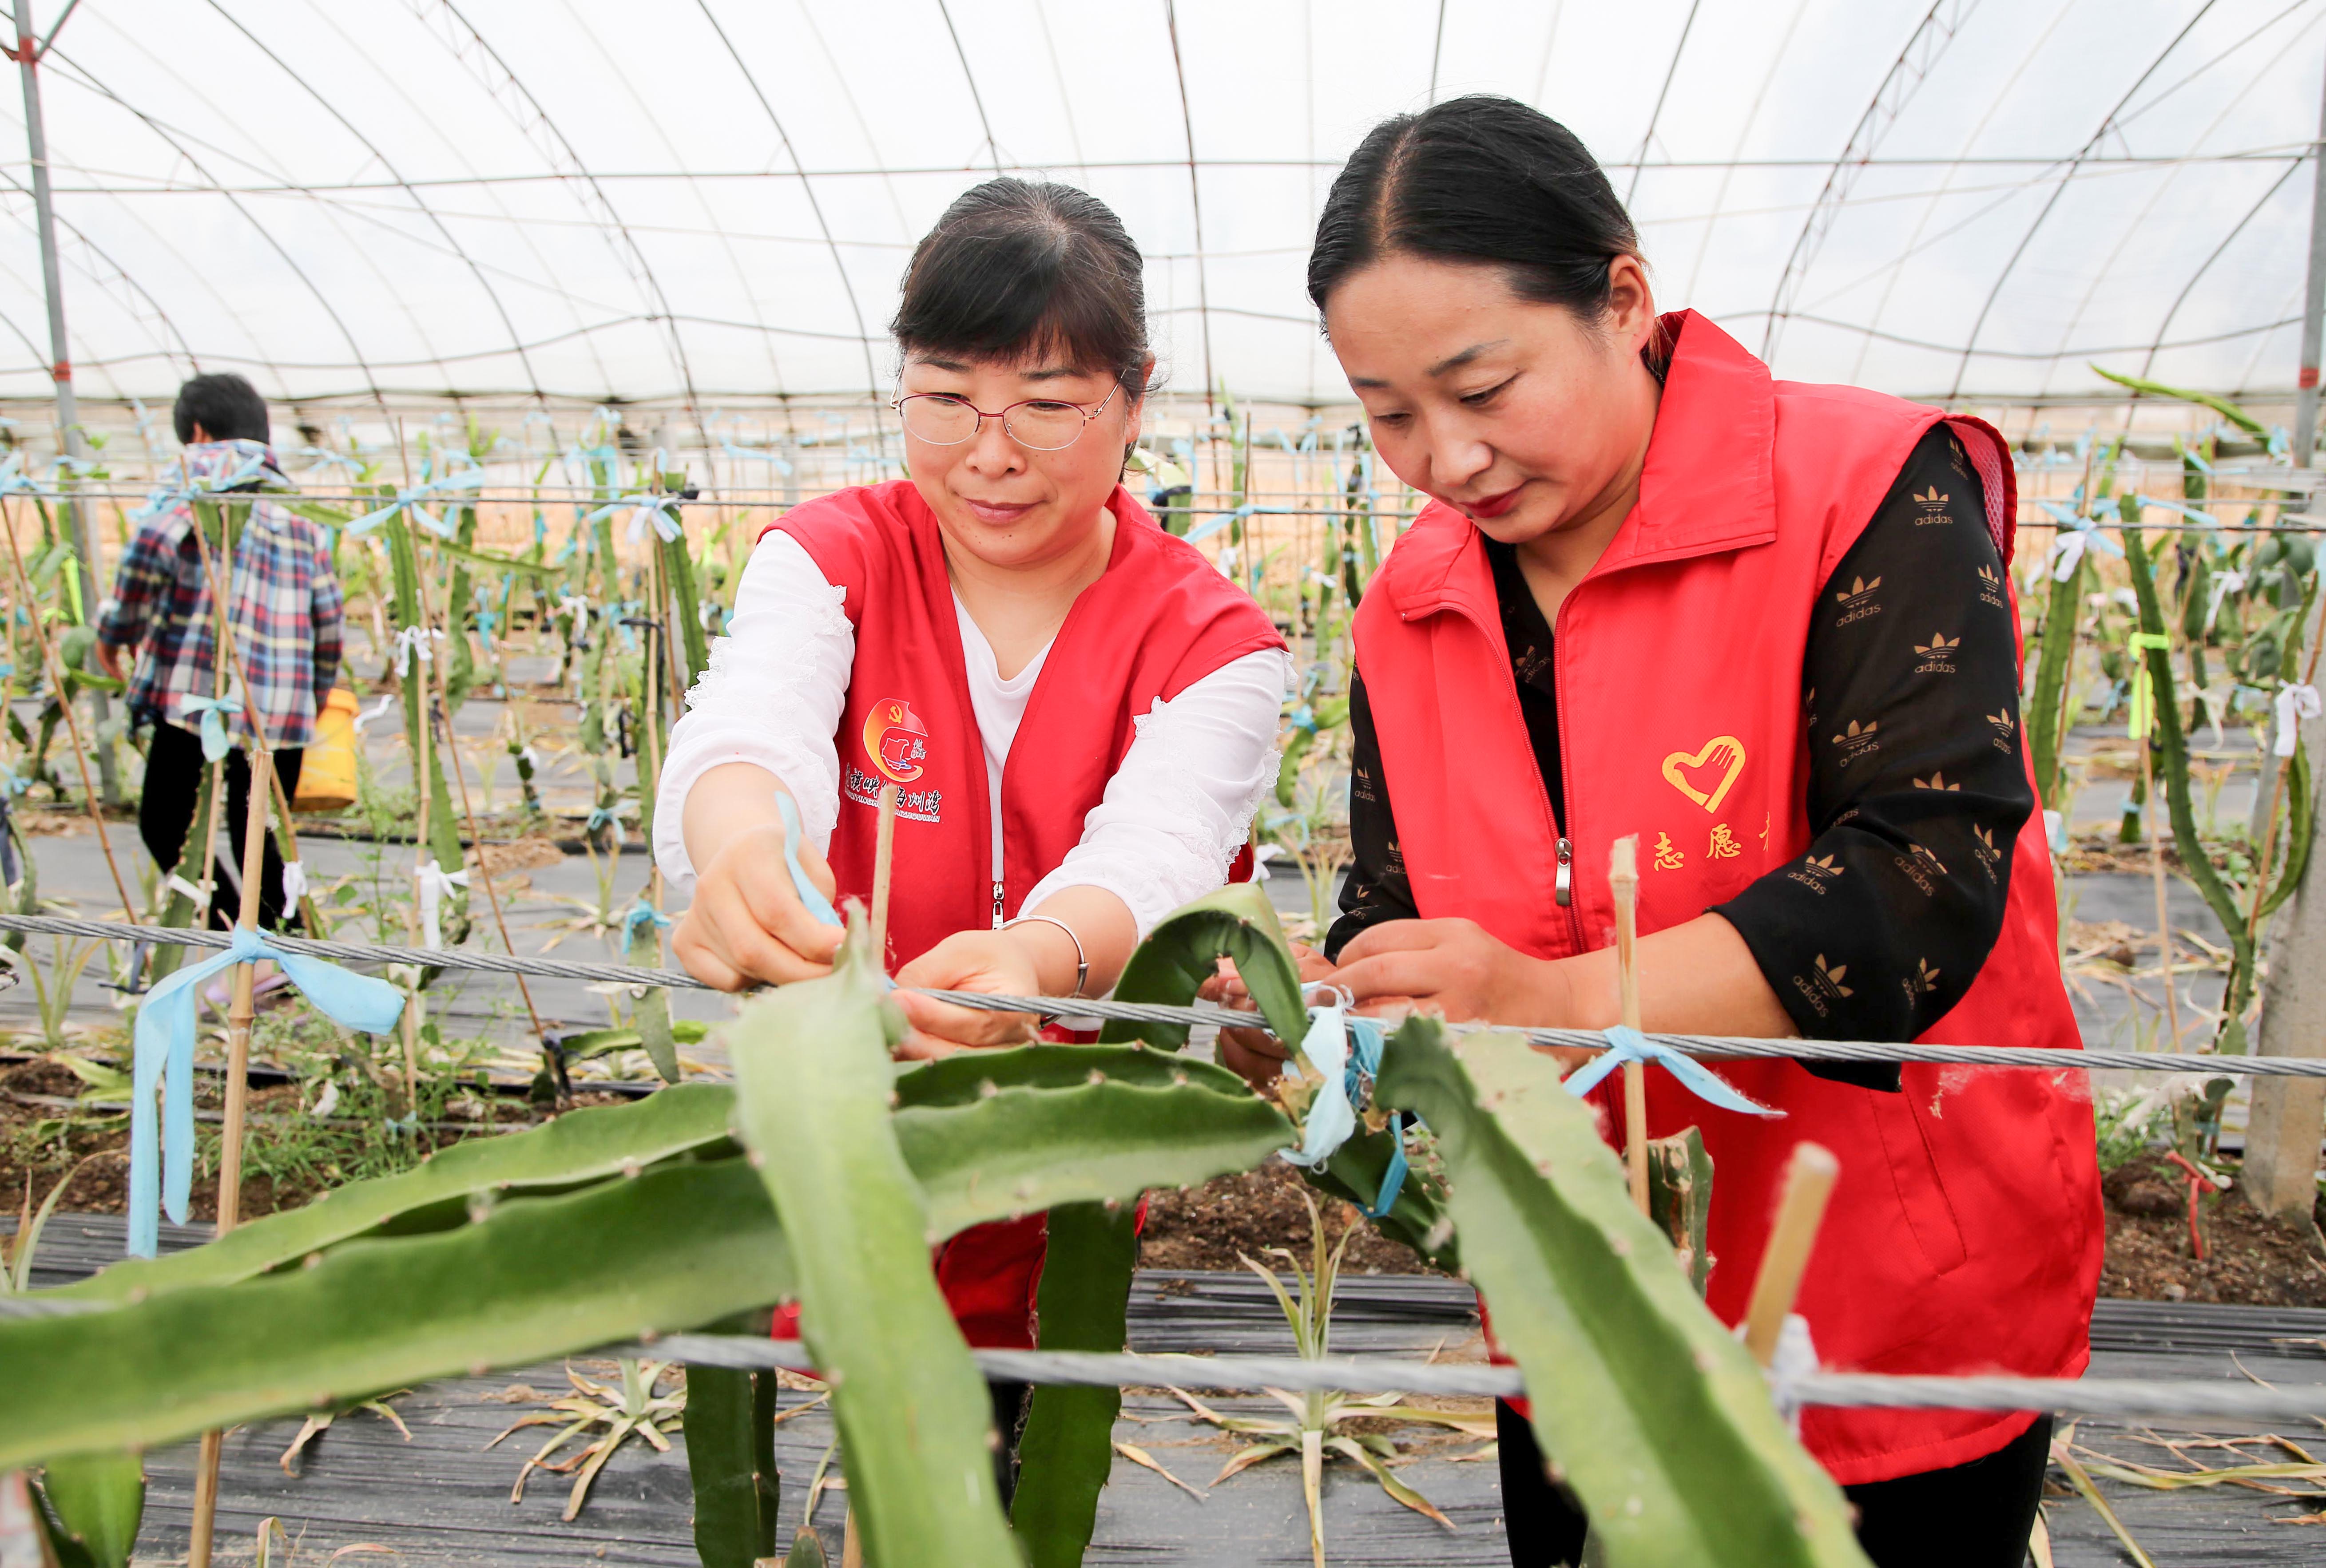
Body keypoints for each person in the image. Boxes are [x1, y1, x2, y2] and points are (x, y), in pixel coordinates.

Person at [1226, 97, 2099, 1568]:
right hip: (1573, 1296)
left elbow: (1923, 871)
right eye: (1386, 414)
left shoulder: (1863, 488)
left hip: (1884, 1309)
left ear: (1620, 301)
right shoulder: (1409, 608)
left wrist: (1564, 999)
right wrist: (1332, 1005)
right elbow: (1389, 898)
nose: (1443, 458)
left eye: (1481, 386)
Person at [656, 178, 1290, 1485]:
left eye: (1048, 407)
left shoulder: (1214, 642)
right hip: (847, 1124)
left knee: (1014, 1459)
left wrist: (1041, 958)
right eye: (945, 398)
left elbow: (1159, 849)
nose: (989, 453)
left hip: (1063, 1154)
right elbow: (755, 725)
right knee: (860, 1420)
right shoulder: (835, 555)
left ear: (1133, 395)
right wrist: (735, 851)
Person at [95, 372, 341, 933]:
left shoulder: (194, 485)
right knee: (262, 838)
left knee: (168, 827)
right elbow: (328, 620)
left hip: (195, 702)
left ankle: (238, 936)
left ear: (199, 432)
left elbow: (145, 554)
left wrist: (114, 638)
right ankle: (287, 952)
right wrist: (314, 696)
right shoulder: (301, 516)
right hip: (277, 708)